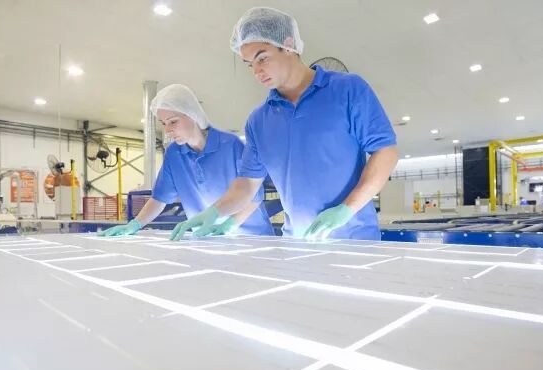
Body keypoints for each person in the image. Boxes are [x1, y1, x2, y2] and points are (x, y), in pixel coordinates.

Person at [169, 7, 398, 241]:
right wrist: (215, 212)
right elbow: (248, 183)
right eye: (250, 64)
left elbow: (385, 151)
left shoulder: (348, 89)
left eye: (262, 58)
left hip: (356, 239)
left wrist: (347, 209)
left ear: (288, 45)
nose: (257, 71)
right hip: (297, 242)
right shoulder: (258, 121)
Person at [99, 84, 273, 237]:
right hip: (206, 239)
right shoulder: (174, 154)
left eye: (173, 122)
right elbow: (159, 199)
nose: (167, 130)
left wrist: (230, 225)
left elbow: (254, 196)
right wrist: (135, 224)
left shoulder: (231, 145)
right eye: (163, 123)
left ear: (193, 115)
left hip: (252, 236)